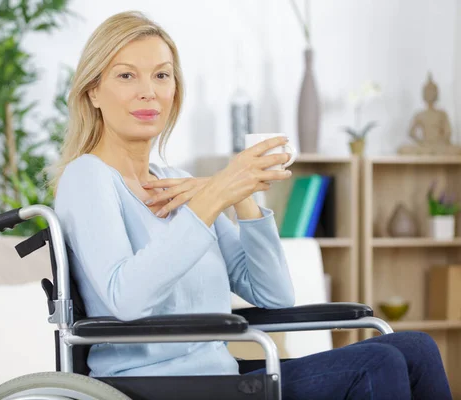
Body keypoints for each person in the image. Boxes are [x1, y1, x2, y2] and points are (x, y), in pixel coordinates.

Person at [50, 10, 452, 400]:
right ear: (93, 92)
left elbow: (275, 295)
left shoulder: (174, 182)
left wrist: (241, 196)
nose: (148, 91)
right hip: (151, 384)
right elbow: (127, 298)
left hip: (219, 373)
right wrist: (211, 197)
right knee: (377, 363)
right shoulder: (87, 176)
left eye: (161, 75)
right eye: (126, 76)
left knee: (415, 348)